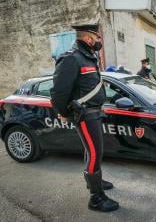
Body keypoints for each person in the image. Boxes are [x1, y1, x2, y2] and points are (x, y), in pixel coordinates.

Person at [50, 24, 119, 212]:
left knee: (93, 151)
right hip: (85, 115)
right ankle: (96, 198)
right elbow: (58, 93)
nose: (99, 41)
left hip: (95, 113)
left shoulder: (88, 56)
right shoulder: (72, 59)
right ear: (88, 38)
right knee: (95, 153)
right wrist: (63, 113)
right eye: (97, 38)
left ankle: (95, 182)